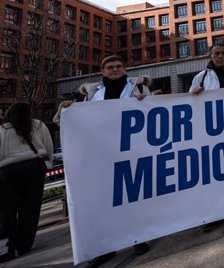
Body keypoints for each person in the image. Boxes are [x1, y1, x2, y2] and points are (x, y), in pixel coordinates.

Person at [60, 56, 152, 265]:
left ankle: (138, 236)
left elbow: (152, 112)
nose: (115, 70)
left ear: (125, 68)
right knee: (104, 200)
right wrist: (69, 109)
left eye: (119, 66)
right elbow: (82, 121)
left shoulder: (138, 89)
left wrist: (144, 104)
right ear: (102, 71)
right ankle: (107, 246)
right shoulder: (92, 94)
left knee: (133, 194)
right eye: (110, 67)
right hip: (102, 153)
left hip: (132, 149)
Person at [0, 102, 54, 262]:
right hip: (33, 167)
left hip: (6, 170)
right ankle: (24, 245)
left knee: (5, 211)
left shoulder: (2, 130)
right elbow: (48, 146)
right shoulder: (38, 125)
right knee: (30, 208)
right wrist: (48, 164)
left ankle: (5, 249)